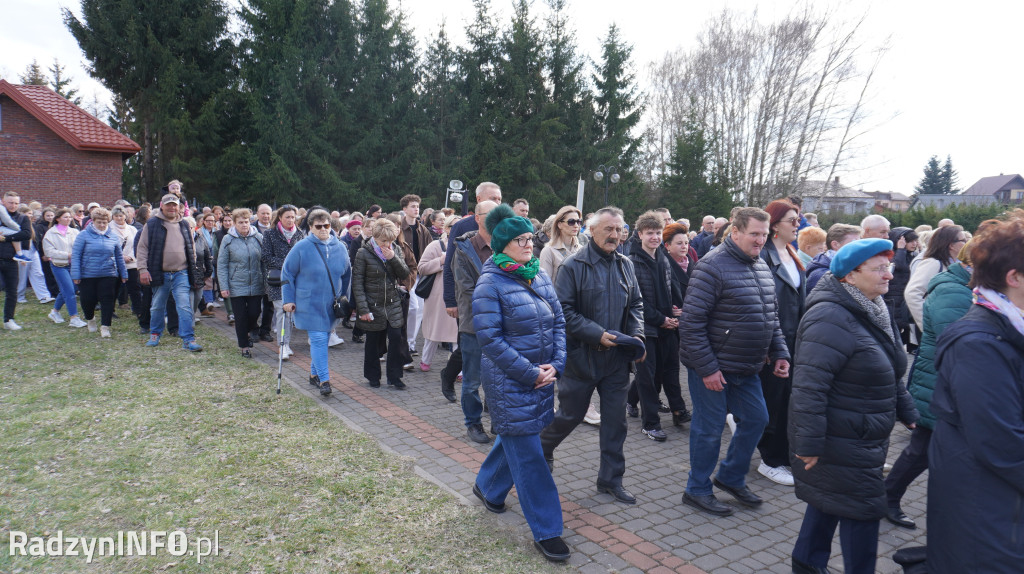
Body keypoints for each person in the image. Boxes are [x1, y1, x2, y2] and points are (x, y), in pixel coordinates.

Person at [789, 238, 917, 574]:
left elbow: (889, 368)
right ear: (849, 276)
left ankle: (806, 564)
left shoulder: (874, 308)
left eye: (887, 266)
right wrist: (809, 444)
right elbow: (809, 387)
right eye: (878, 268)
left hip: (860, 433)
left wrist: (909, 412)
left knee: (828, 502)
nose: (889, 275)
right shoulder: (830, 317)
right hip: (839, 438)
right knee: (863, 508)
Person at [470, 203, 569, 563]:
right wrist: (531, 373)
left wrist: (556, 364)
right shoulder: (490, 282)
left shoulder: (537, 273)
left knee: (514, 439)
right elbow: (491, 340)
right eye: (519, 240)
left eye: (530, 237)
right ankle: (548, 530)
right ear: (502, 245)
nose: (529, 244)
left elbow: (558, 321)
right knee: (530, 458)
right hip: (512, 383)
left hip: (542, 379)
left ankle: (489, 489)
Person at [927, 213, 1024, 573]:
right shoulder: (979, 343)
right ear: (1013, 278)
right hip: (989, 514)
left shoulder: (1009, 329)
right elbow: (1001, 443)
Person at [679, 207, 790, 516]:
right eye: (754, 234)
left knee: (757, 419)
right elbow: (691, 324)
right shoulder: (712, 267)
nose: (760, 240)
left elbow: (771, 317)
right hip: (713, 368)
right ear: (736, 232)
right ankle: (697, 489)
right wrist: (708, 368)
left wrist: (780, 352)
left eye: (765, 234)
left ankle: (729, 476)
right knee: (709, 429)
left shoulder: (762, 264)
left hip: (748, 366)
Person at [540, 207, 645, 505]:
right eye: (608, 229)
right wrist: (596, 333)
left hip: (616, 361)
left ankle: (611, 480)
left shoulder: (626, 264)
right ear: (591, 231)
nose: (615, 235)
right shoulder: (574, 266)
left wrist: (637, 336)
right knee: (569, 416)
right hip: (582, 358)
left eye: (619, 229)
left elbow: (636, 304)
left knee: (616, 422)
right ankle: (541, 449)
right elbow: (563, 311)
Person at [883, 238, 974, 530]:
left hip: (943, 384)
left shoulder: (965, 288)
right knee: (919, 452)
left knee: (924, 452)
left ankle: (889, 497)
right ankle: (887, 498)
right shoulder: (953, 292)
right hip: (939, 384)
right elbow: (960, 347)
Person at [625, 211, 687, 442]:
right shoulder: (631, 262)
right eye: (650, 233)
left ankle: (675, 410)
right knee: (647, 376)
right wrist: (660, 319)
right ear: (640, 234)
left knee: (669, 370)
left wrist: (676, 311)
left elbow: (672, 289)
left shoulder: (662, 257)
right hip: (644, 328)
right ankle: (650, 423)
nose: (654, 237)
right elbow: (634, 300)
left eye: (658, 233)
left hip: (667, 326)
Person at [756, 199, 806, 487]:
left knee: (788, 401)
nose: (798, 224)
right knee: (772, 402)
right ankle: (769, 460)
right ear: (774, 225)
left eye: (798, 219)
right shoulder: (763, 256)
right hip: (772, 343)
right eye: (792, 220)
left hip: (793, 340)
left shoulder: (791, 254)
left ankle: (783, 455)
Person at [539, 206, 601, 426]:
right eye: (571, 221)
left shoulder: (582, 248)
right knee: (556, 361)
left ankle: (584, 405)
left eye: (578, 221)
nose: (576, 225)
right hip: (558, 314)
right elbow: (544, 285)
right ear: (560, 224)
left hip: (581, 312)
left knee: (582, 361)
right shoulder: (549, 251)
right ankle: (553, 404)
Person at [282, 208, 352, 396]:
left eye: (327, 225)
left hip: (331, 303)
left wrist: (346, 298)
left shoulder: (340, 248)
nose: (323, 229)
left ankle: (313, 374)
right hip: (308, 302)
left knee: (322, 339)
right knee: (319, 339)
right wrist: (288, 299)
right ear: (311, 227)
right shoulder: (301, 247)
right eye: (318, 226)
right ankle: (324, 380)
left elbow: (347, 274)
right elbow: (287, 273)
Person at [452, 201, 499, 443]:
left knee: (498, 376)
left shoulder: (505, 246)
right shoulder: (464, 249)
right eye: (489, 215)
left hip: (501, 326)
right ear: (477, 218)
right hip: (474, 325)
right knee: (471, 380)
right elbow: (468, 290)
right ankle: (473, 423)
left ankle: (498, 423)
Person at [137, 193, 203, 352]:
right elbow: (142, 248)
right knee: (157, 306)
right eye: (169, 205)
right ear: (162, 206)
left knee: (184, 307)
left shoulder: (184, 225)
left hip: (181, 273)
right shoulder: (152, 224)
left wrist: (192, 267)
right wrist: (143, 269)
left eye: (175, 204)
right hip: (160, 273)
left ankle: (188, 339)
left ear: (179, 206)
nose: (172, 207)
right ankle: (155, 334)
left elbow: (191, 249)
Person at [352, 218, 411, 390]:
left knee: (396, 338)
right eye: (384, 241)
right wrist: (362, 308)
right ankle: (372, 375)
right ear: (375, 237)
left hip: (393, 302)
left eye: (391, 240)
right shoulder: (363, 252)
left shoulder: (396, 249)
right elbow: (357, 282)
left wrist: (393, 258)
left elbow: (404, 273)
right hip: (372, 303)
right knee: (373, 341)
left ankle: (395, 377)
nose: (388, 244)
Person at [71, 208, 128, 338]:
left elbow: (119, 256)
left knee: (108, 300)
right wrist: (76, 274)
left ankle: (105, 326)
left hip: (108, 273)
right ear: (93, 221)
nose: (102, 225)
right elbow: (76, 256)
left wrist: (124, 274)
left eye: (104, 222)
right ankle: (90, 319)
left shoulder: (113, 237)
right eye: (99, 222)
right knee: (88, 300)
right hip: (88, 275)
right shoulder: (83, 235)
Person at [217, 209, 265, 358]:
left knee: (254, 312)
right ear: (234, 223)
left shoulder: (258, 237)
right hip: (236, 284)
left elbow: (264, 261)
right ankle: (244, 346)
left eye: (246, 222)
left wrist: (266, 281)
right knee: (240, 316)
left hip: (256, 283)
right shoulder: (228, 239)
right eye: (240, 222)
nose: (244, 225)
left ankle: (250, 330)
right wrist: (223, 286)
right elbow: (222, 264)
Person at [417, 214, 459, 379]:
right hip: (437, 296)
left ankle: (458, 368)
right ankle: (425, 360)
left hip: (458, 295)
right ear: (447, 229)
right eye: (453, 226)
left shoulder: (467, 245)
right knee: (434, 332)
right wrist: (440, 262)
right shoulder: (436, 245)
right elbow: (422, 267)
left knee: (457, 334)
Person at [261, 205, 305, 359]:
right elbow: (266, 257)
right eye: (287, 217)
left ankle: (287, 343)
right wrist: (287, 264)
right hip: (276, 280)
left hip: (294, 281)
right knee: (282, 312)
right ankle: (282, 345)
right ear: (280, 217)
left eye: (293, 217)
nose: (290, 220)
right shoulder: (270, 234)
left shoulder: (300, 234)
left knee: (290, 313)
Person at [904, 224, 966, 331]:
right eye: (963, 240)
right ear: (951, 245)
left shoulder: (955, 264)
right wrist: (928, 325)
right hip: (936, 330)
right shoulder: (933, 263)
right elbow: (912, 293)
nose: (966, 243)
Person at [399, 194, 432, 356]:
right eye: (412, 206)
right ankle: (402, 341)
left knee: (419, 310)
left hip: (421, 274)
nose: (416, 209)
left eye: (417, 206)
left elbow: (429, 250)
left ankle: (411, 343)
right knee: (412, 308)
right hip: (405, 275)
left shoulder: (423, 229)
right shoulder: (398, 228)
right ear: (404, 209)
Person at [43, 208, 86, 328]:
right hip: (59, 265)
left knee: (67, 290)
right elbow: (49, 252)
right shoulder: (50, 234)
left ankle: (54, 312)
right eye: (65, 217)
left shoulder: (74, 232)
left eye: (69, 217)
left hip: (73, 265)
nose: (68, 219)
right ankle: (74, 317)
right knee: (69, 291)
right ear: (58, 219)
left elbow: (81, 245)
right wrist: (67, 255)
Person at [885, 227, 920, 351]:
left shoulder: (912, 255)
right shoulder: (891, 254)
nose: (914, 244)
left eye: (915, 241)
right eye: (910, 241)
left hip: (904, 296)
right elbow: (898, 265)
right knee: (896, 327)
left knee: (907, 326)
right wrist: (900, 249)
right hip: (894, 296)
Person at [805, 223, 861, 293]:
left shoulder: (852, 266)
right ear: (835, 245)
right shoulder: (820, 275)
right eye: (854, 243)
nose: (859, 247)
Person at [110, 205, 142, 316]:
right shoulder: (108, 229)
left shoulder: (132, 229)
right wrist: (121, 257)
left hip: (131, 262)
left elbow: (137, 244)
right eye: (116, 216)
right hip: (115, 263)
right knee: (114, 287)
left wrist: (131, 257)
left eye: (121, 215)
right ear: (113, 216)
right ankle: (110, 310)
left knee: (134, 287)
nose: (119, 218)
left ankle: (138, 310)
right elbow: (108, 246)